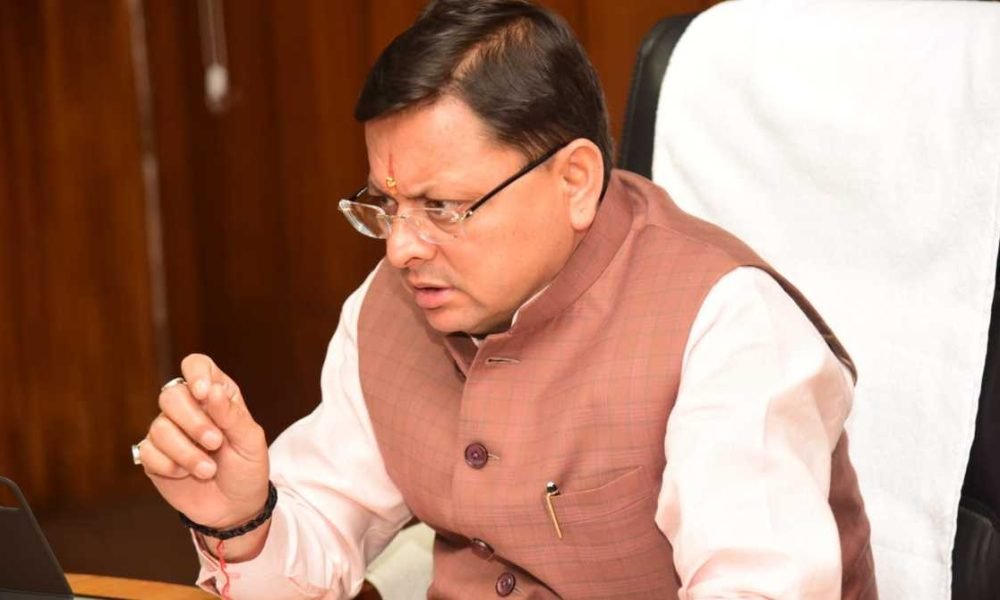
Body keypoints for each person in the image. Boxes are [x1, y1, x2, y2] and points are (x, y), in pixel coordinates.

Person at [134, 1, 876, 598]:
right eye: (387, 206)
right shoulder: (391, 308)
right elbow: (321, 536)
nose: (401, 249)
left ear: (575, 182)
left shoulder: (723, 322)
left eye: (442, 207)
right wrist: (242, 520)